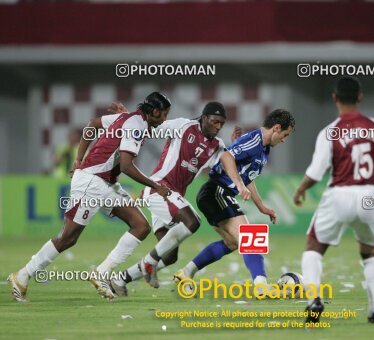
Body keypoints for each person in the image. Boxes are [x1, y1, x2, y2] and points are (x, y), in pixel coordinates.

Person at [8, 92, 172, 302]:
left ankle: (101, 273)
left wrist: (79, 159)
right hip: (91, 182)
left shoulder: (130, 119)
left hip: (106, 184)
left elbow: (93, 123)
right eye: (164, 114)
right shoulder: (135, 124)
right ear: (155, 111)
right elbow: (127, 166)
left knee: (140, 225)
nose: (165, 119)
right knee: (68, 237)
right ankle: (22, 276)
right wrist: (155, 186)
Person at [293, 76, 374, 324]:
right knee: (370, 253)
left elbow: (316, 172)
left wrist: (300, 190)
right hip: (370, 196)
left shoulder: (330, 131)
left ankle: (313, 300)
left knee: (314, 246)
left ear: (334, 98)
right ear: (360, 97)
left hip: (340, 194)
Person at [108, 102, 239, 296]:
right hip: (159, 189)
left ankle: (120, 279)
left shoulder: (217, 145)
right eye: (214, 122)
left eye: (221, 123)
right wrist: (129, 117)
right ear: (204, 118)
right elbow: (151, 125)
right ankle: (148, 263)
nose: (218, 127)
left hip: (173, 198)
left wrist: (234, 147)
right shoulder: (182, 126)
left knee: (169, 256)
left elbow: (219, 167)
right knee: (192, 221)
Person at [173, 109, 295, 295]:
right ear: (276, 128)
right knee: (250, 238)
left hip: (216, 194)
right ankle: (261, 287)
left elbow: (248, 177)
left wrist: (262, 207)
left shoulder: (263, 148)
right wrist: (238, 184)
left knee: (231, 242)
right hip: (216, 192)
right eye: (285, 134)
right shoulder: (255, 140)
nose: (285, 139)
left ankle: (186, 272)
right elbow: (226, 156)